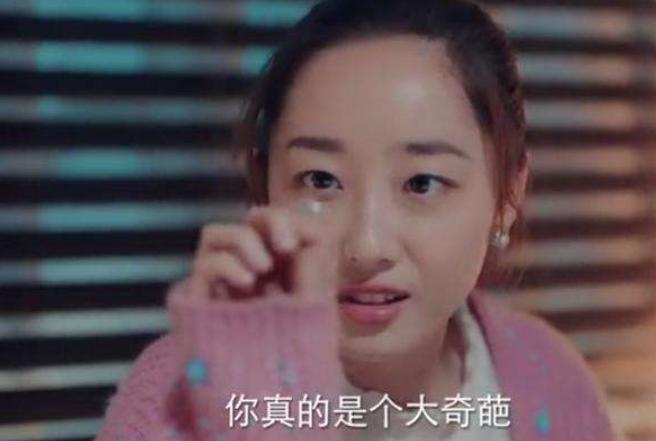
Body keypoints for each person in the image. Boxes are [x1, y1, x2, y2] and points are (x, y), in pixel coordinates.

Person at [95, 1, 616, 440]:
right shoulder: (172, 402)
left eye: (422, 183)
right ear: (264, 183)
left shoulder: (550, 379)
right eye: (321, 180)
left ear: (507, 195)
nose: (366, 247)